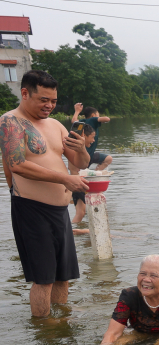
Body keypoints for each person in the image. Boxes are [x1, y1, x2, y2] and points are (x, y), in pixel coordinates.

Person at [1, 70, 90, 318]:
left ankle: (61, 323)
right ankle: (44, 330)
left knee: (63, 277)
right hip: (31, 209)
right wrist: (64, 178)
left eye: (53, 100)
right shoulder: (11, 121)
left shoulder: (54, 125)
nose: (49, 106)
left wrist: (81, 149)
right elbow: (17, 164)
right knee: (43, 279)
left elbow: (80, 163)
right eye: (43, 100)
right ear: (25, 93)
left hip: (60, 211)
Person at [70, 104, 112, 171]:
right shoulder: (92, 120)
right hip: (83, 156)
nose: (98, 117)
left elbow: (74, 121)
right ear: (93, 115)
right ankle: (94, 174)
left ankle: (94, 174)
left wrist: (77, 111)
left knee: (108, 159)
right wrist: (100, 119)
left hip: (90, 155)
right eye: (98, 115)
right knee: (108, 159)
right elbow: (107, 119)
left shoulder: (83, 122)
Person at [69, 123, 97, 223]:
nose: (93, 140)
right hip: (77, 185)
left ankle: (75, 231)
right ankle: (73, 232)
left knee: (82, 212)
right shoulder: (75, 149)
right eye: (92, 137)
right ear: (83, 136)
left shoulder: (79, 150)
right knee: (80, 213)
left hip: (78, 184)